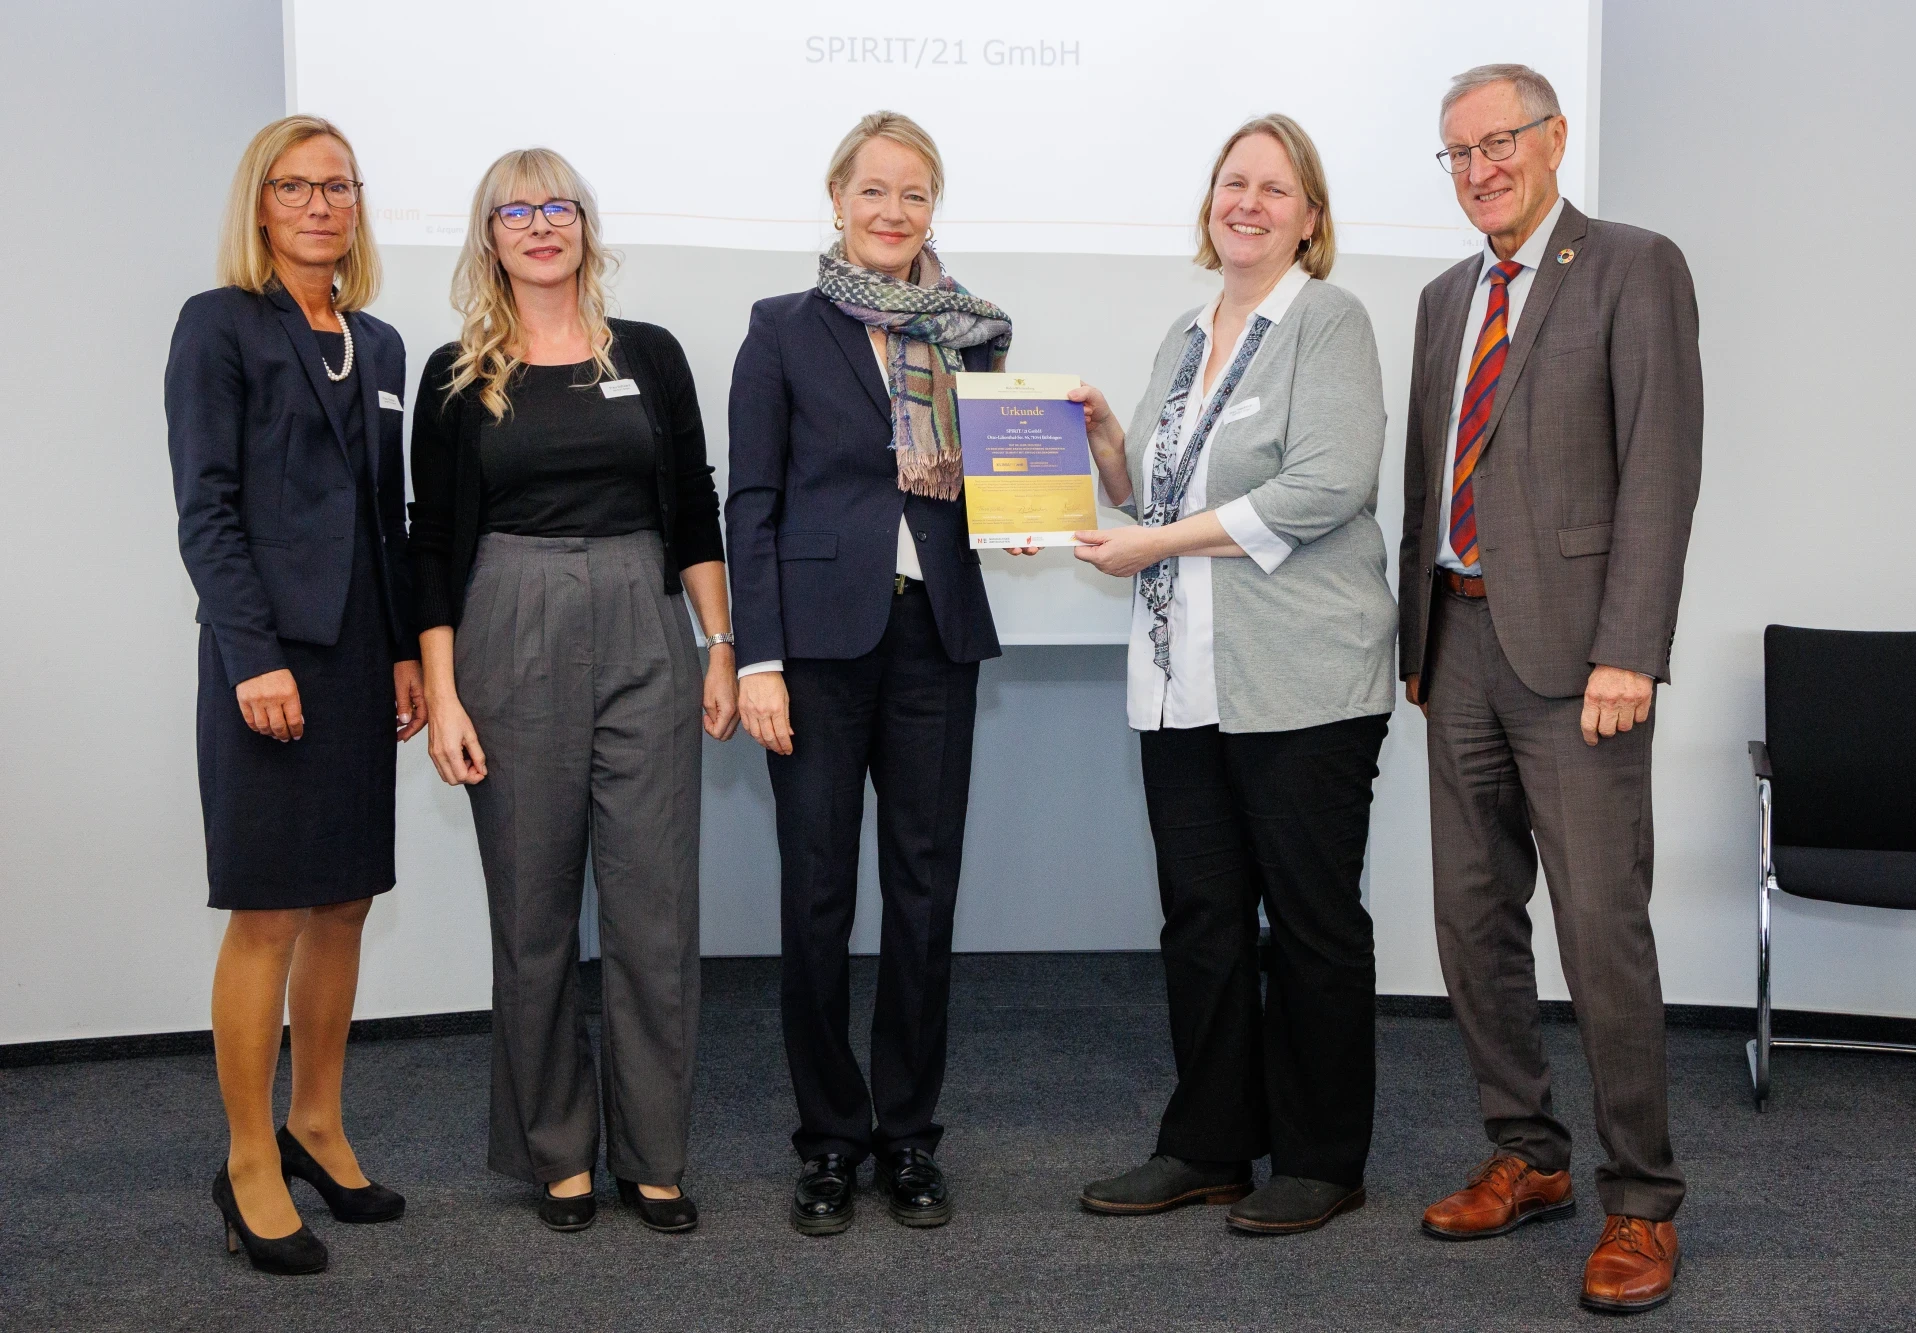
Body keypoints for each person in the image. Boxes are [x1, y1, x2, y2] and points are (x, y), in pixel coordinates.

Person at [1398, 65, 1701, 1314]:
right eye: (1456, 153)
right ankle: (1527, 1157)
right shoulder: (1439, 296)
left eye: (1497, 142)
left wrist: (1628, 648)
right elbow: (1426, 481)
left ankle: (1640, 1202)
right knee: (1471, 920)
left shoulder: (1631, 263)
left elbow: (1659, 468)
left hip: (1580, 659)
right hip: (1456, 643)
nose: (1478, 168)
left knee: (1598, 930)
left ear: (1552, 137)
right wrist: (1415, 645)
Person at [1068, 115, 1397, 1234]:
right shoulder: (1183, 333)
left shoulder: (1328, 322)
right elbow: (1152, 501)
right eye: (1230, 182)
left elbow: (1328, 486)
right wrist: (1111, 445)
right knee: (1200, 916)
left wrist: (1152, 542)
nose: (1246, 201)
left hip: (1301, 677)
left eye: (1273, 187)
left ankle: (1320, 1157)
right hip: (1181, 679)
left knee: (1308, 921)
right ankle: (1205, 1143)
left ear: (1309, 218)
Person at [408, 149, 737, 1235]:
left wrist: (721, 645)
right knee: (534, 909)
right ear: (489, 235)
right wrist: (446, 698)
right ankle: (557, 1151)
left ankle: (653, 1154)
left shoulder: (649, 353)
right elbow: (434, 543)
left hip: (646, 622)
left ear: (587, 228)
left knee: (653, 910)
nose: (541, 225)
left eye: (560, 207)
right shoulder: (456, 375)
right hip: (508, 626)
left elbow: (692, 506)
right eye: (518, 211)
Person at [726, 111, 1009, 1236]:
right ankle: (829, 1137)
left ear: (932, 208)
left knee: (924, 896)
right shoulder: (782, 327)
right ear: (836, 199)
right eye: (874, 191)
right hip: (815, 650)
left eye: (915, 195)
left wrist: (1050, 477)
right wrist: (757, 658)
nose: (894, 213)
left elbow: (994, 491)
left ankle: (908, 1134)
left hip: (933, 637)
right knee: (816, 895)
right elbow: (750, 501)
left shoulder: (975, 336)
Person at [166, 115, 425, 1275]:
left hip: (362, 656)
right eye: (297, 186)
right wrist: (251, 651)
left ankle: (316, 1123)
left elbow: (389, 518)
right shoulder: (219, 326)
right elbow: (206, 509)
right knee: (268, 909)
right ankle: (247, 1158)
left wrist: (410, 651)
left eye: (340, 187)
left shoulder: (377, 345)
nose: (322, 204)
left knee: (347, 900)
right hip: (265, 657)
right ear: (259, 202)